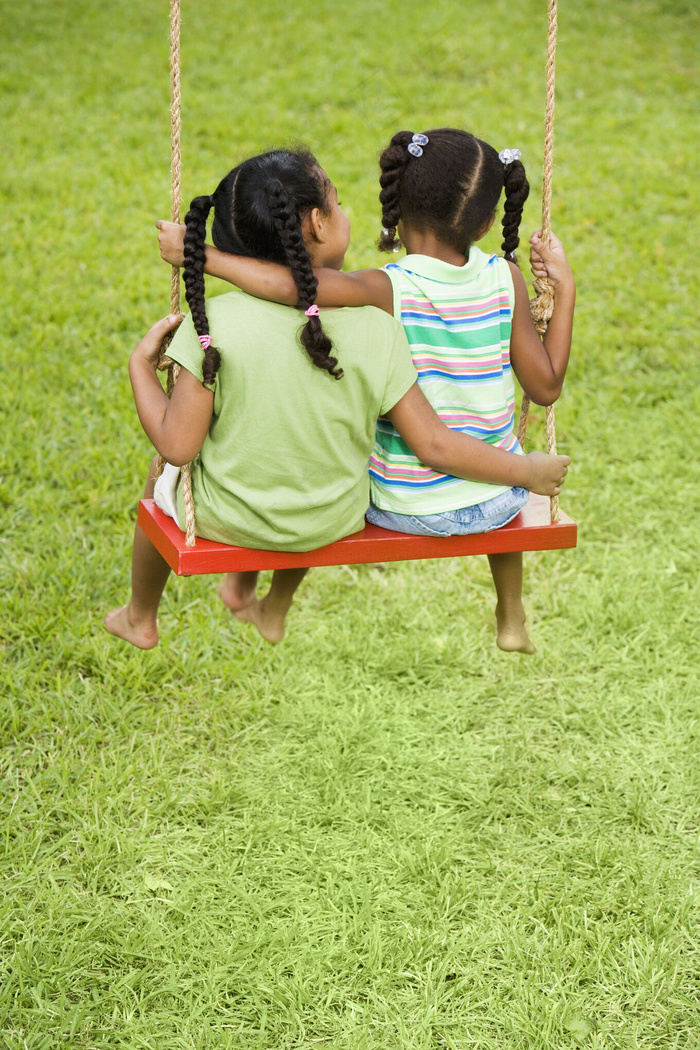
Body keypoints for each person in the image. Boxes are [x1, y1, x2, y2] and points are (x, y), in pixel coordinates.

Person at [106, 146, 570, 651]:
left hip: (313, 511)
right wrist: (563, 291)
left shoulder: (364, 297)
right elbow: (534, 394)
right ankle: (508, 613)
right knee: (333, 452)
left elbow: (181, 443)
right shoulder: (433, 306)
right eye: (340, 201)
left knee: (182, 470)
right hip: (405, 510)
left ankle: (142, 615)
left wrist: (187, 278)